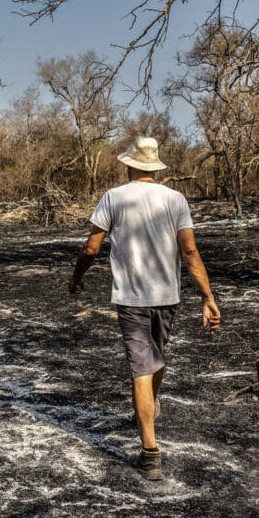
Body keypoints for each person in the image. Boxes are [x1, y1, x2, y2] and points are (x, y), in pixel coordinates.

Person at [68, 136, 221, 481]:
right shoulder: (175, 199)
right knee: (155, 359)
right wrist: (207, 296)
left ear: (129, 164)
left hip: (132, 298)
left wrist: (77, 277)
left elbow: (92, 248)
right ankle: (149, 409)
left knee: (142, 369)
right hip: (168, 295)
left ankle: (150, 454)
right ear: (155, 166)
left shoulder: (114, 197)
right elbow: (190, 252)